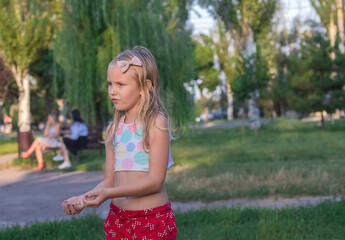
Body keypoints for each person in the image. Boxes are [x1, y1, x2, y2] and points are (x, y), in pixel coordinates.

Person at [61, 46, 177, 239]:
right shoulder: (113, 130)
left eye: (120, 84)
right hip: (118, 219)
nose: (112, 91)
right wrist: (83, 198)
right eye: (110, 84)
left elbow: (156, 181)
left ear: (145, 87)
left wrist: (108, 193)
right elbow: (110, 181)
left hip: (151, 220)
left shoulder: (156, 123)